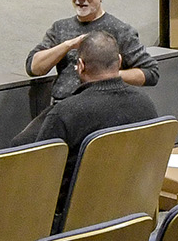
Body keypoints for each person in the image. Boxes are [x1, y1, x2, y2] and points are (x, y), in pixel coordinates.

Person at [35, 31, 161, 210]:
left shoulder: (64, 113)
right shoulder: (146, 104)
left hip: (74, 223)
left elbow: (39, 175)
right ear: (118, 62)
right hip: (135, 213)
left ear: (80, 65)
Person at [23, 0, 158, 119]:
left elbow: (151, 73)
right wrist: (67, 46)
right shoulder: (60, 28)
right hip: (62, 108)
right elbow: (33, 67)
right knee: (22, 142)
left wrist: (109, 74)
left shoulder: (120, 30)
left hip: (103, 110)